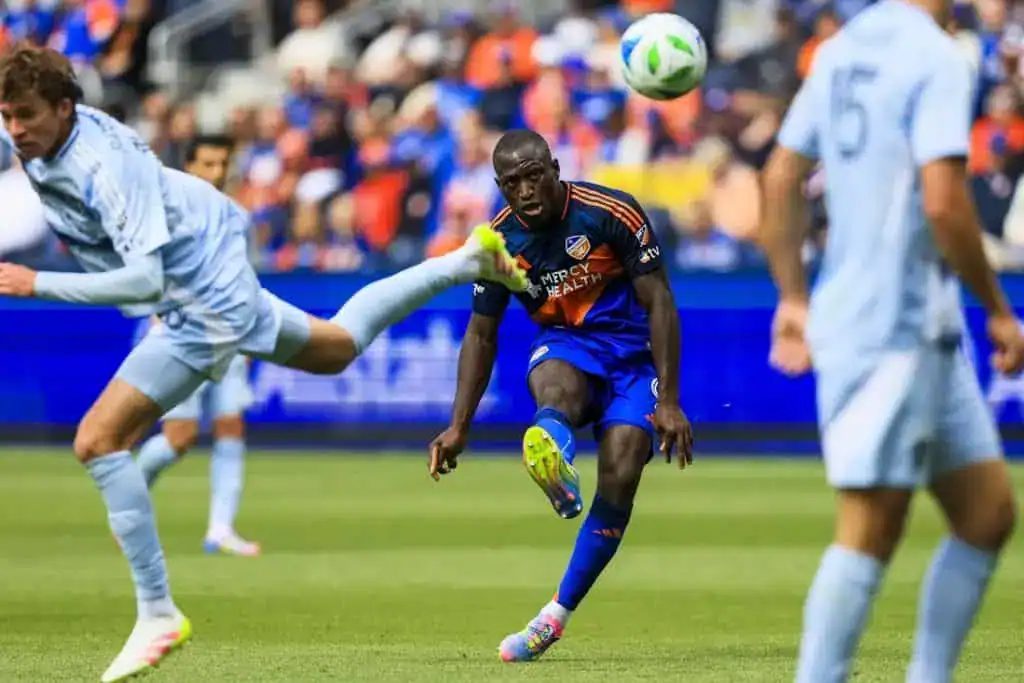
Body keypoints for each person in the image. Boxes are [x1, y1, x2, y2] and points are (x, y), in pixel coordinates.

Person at [0, 44, 527, 683]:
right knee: (337, 348)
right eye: (7, 115)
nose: (15, 128)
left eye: (26, 115)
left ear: (64, 108)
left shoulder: (100, 165)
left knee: (98, 439)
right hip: (207, 261)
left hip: (200, 292)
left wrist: (38, 283)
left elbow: (144, 281)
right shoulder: (50, 139)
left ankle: (157, 612)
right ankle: (465, 261)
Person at [757, 2, 1023, 681]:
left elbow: (781, 175)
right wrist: (998, 309)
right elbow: (943, 202)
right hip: (892, 325)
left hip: (917, 322)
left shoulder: (842, 49)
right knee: (870, 527)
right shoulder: (937, 56)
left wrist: (793, 295)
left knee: (987, 513)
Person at [427, 129, 694, 662]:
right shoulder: (498, 244)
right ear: (500, 187)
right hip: (569, 344)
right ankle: (554, 459)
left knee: (622, 469)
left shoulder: (611, 212)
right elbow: (480, 334)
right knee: (555, 387)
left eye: (533, 176)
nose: (525, 191)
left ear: (554, 167)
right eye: (512, 183)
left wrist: (668, 401)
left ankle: (554, 617)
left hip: (635, 360)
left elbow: (660, 300)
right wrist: (459, 425)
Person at [135, 135, 259, 557]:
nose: (217, 172)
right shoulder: (166, 215)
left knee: (231, 425)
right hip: (181, 335)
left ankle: (221, 530)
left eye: (223, 163)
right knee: (180, 437)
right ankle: (131, 498)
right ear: (188, 167)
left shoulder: (239, 217)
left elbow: (245, 278)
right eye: (207, 164)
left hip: (230, 336)